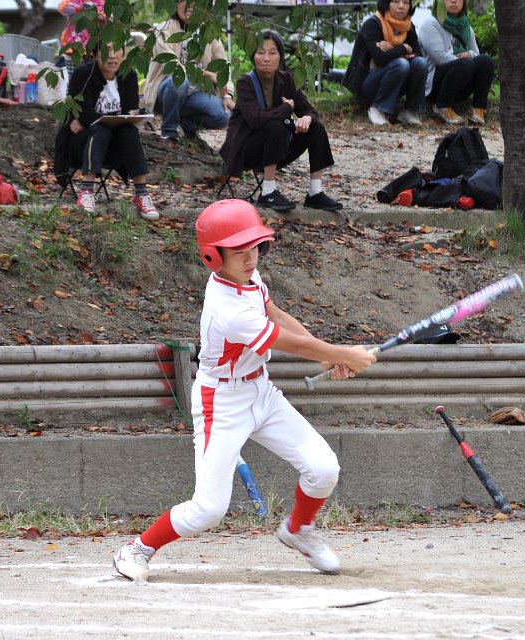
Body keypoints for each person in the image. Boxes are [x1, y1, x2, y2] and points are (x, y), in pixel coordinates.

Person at [112, 199, 376, 581]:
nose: (251, 257)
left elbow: (275, 314)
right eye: (239, 251)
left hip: (261, 392)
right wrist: (341, 354)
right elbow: (286, 341)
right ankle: (137, 549)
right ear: (213, 256)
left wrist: (327, 358)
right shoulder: (227, 308)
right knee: (209, 509)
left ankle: (298, 530)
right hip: (221, 402)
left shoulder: (249, 279)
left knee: (323, 469)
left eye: (254, 246)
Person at [219, 30, 343, 213]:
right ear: (253, 56)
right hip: (246, 150)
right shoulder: (245, 83)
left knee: (315, 127)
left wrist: (306, 118)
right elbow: (256, 120)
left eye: (272, 53)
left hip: (276, 149)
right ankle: (268, 192)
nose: (266, 58)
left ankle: (315, 193)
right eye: (261, 53)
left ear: (280, 56)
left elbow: (309, 110)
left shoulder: (287, 80)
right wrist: (285, 109)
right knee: (275, 125)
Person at [53, 44, 160, 220]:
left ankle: (142, 194)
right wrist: (109, 119)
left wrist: (126, 116)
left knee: (129, 132)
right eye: (106, 51)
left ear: (123, 54)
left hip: (114, 149)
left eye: (117, 50)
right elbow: (82, 112)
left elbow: (129, 111)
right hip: (81, 146)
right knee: (100, 130)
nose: (112, 56)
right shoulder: (83, 74)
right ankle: (86, 191)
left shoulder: (129, 75)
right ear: (96, 55)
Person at [144, 0, 235, 144]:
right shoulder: (163, 30)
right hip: (166, 93)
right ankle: (169, 131)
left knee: (224, 115)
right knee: (180, 82)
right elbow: (174, 68)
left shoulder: (208, 32)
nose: (188, 6)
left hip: (194, 95)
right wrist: (208, 74)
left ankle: (187, 125)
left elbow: (223, 65)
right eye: (182, 0)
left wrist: (228, 94)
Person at [343, 0, 428, 127]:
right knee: (401, 64)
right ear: (386, 3)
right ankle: (377, 108)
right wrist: (402, 48)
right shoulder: (373, 24)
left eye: (406, 2)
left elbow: (418, 55)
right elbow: (380, 59)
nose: (401, 6)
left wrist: (393, 50)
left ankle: (410, 110)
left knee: (420, 63)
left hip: (396, 80)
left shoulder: (408, 27)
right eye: (396, 1)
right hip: (368, 82)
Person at [417, 0, 494, 126]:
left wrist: (470, 55)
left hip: (460, 82)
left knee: (486, 61)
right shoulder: (431, 24)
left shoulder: (466, 27)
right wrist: (465, 60)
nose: (454, 1)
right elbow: (439, 58)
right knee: (466, 64)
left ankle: (477, 108)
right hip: (435, 86)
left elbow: (476, 53)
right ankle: (441, 106)